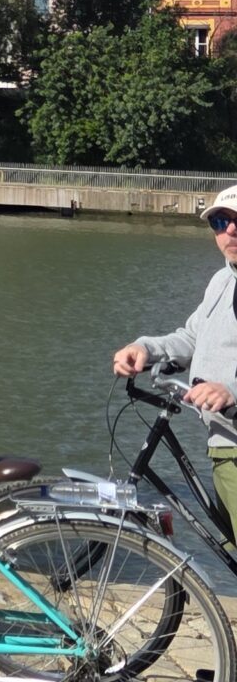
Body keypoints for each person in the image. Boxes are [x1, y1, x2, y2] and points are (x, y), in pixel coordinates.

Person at [112, 183, 237, 526]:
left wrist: (231, 391)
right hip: (224, 444)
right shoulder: (221, 281)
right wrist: (145, 349)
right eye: (220, 222)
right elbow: (192, 338)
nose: (231, 229)